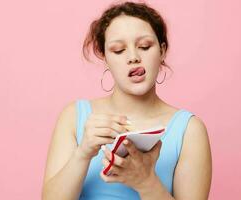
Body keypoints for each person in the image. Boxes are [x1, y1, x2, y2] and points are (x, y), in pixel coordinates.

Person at [42, 1, 212, 199]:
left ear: (162, 50)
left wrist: (146, 182)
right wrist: (83, 153)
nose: (133, 57)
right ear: (105, 58)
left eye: (144, 46)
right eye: (118, 50)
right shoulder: (74, 116)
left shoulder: (189, 130)